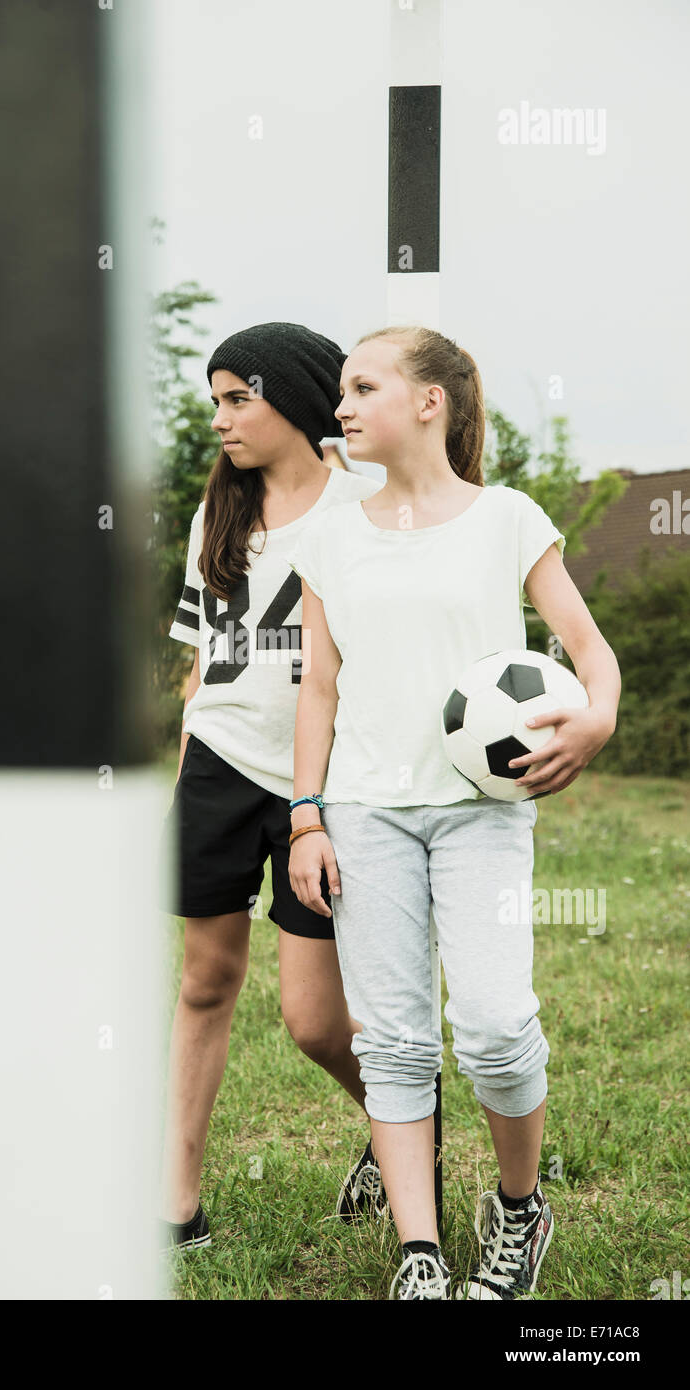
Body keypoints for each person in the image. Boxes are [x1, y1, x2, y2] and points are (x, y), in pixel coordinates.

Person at [287, 325, 621, 1299]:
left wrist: (594, 720)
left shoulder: (508, 517)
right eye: (340, 391)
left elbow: (587, 650)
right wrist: (306, 817)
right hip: (362, 812)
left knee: (493, 1024)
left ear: (428, 401)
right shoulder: (332, 534)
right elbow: (318, 687)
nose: (340, 406)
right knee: (391, 1037)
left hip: (481, 811)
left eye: (362, 386)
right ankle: (421, 1254)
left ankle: (520, 1210)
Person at [160, 322, 390, 1251]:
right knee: (204, 982)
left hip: (318, 784)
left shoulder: (369, 507)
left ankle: (403, 1117)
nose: (220, 418)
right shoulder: (214, 515)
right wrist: (184, 774)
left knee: (310, 1021)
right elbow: (201, 667)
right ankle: (175, 1204)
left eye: (236, 398)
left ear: (293, 397)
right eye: (214, 400)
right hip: (216, 767)